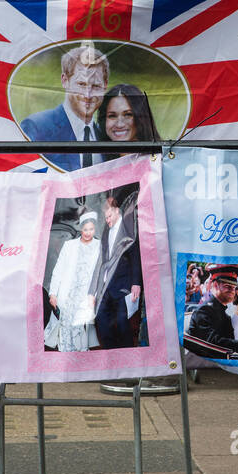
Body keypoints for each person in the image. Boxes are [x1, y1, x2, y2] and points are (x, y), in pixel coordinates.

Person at [18, 42, 108, 171]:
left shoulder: (104, 135)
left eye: (96, 86)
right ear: (65, 81)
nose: (88, 94)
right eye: (81, 84)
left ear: (105, 85)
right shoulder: (37, 127)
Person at [88, 185, 141, 349]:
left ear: (117, 211)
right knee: (101, 320)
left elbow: (135, 257)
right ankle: (111, 353)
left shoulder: (128, 229)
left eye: (109, 215)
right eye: (105, 217)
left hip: (123, 285)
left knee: (122, 323)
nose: (107, 219)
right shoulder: (105, 233)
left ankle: (127, 355)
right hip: (106, 287)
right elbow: (101, 262)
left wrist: (136, 283)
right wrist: (94, 291)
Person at [47, 211, 101, 351]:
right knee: (65, 325)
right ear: (80, 229)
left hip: (86, 295)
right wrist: (53, 293)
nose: (88, 233)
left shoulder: (99, 246)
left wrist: (95, 295)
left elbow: (101, 273)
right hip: (68, 294)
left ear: (95, 229)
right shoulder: (69, 246)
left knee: (81, 327)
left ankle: (81, 356)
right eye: (85, 229)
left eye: (91, 229)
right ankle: (66, 354)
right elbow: (58, 270)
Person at [98, 82, 160, 152]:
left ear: (141, 118)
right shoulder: (100, 158)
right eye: (112, 116)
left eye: (128, 115)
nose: (119, 124)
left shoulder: (160, 158)